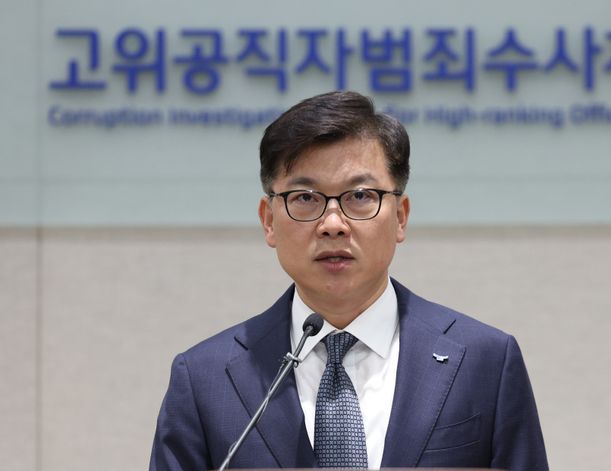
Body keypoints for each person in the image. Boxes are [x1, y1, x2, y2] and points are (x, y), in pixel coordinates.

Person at [150, 91, 548, 470]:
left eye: (359, 196)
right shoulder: (204, 379)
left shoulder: (485, 361)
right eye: (305, 198)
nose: (333, 224)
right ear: (269, 221)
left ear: (400, 217)